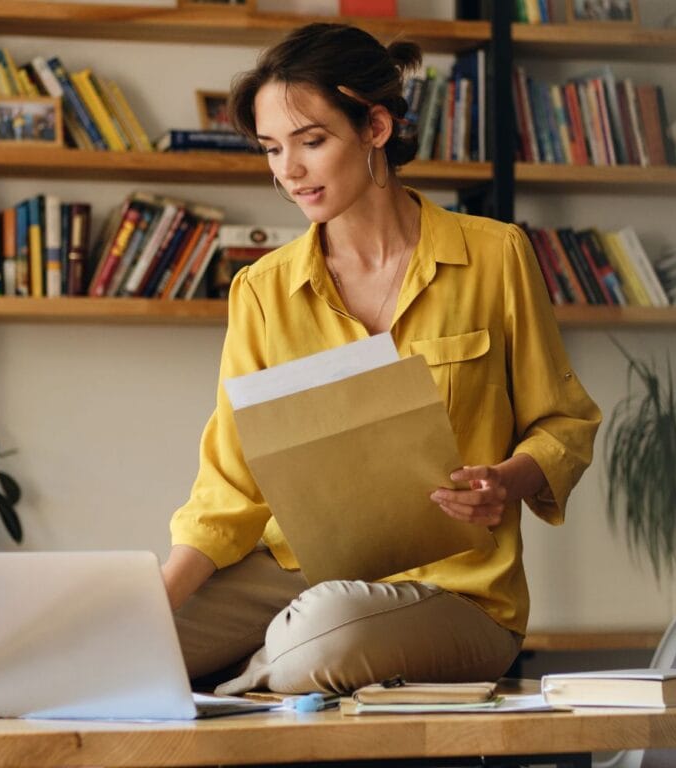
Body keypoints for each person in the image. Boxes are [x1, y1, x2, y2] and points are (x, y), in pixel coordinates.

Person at [161, 22, 601, 695]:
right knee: (124, 637)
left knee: (321, 631)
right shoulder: (262, 289)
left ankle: (233, 691)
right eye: (274, 148)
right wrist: (154, 605)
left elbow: (564, 423)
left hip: (458, 591)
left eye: (311, 141)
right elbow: (231, 484)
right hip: (297, 575)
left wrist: (505, 482)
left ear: (375, 127)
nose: (289, 171)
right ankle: (246, 671)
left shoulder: (496, 256)